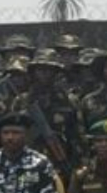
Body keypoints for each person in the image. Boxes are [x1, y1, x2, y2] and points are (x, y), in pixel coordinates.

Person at [9, 49, 82, 178]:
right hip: (27, 163)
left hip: (61, 160)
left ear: (56, 72)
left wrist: (76, 163)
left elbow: (77, 135)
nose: (45, 74)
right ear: (33, 72)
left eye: (49, 70)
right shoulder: (22, 101)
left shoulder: (69, 101)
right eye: (40, 70)